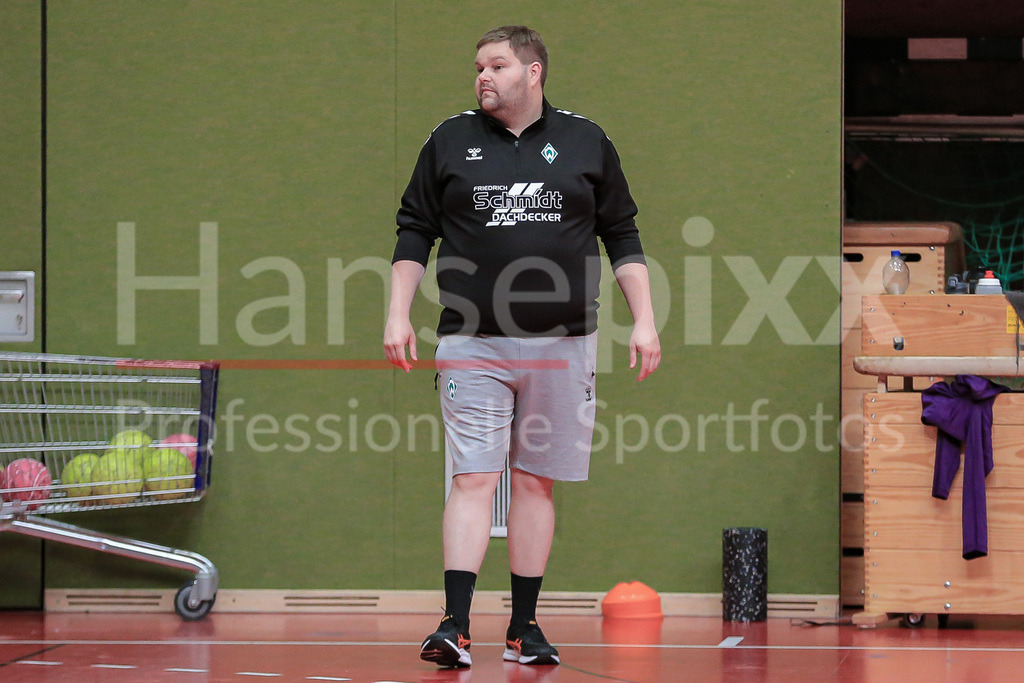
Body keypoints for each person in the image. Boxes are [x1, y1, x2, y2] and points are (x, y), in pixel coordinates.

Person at [384, 25, 661, 669]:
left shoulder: (585, 141)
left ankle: (523, 627)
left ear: (533, 72)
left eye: (497, 65)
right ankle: (454, 625)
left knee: (536, 483)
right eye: (478, 66)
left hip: (562, 345)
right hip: (470, 341)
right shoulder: (449, 141)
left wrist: (643, 320)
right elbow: (413, 229)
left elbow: (621, 234)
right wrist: (398, 313)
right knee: (474, 476)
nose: (483, 76)